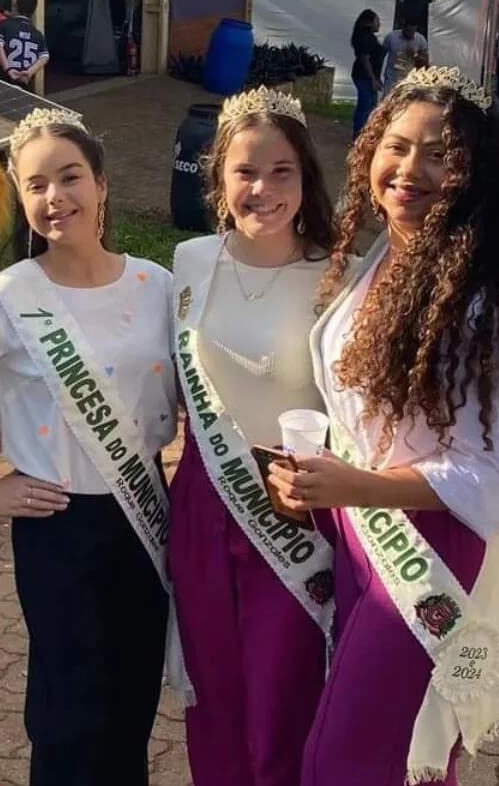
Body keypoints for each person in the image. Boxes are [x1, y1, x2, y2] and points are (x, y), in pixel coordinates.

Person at [0, 108, 178, 786]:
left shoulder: (157, 285)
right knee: (67, 713)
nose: (55, 198)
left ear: (101, 184)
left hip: (145, 516)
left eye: (70, 177)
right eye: (36, 185)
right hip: (58, 523)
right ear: (21, 198)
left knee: (132, 701)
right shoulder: (2, 299)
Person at [269, 66, 499, 785]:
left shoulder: (478, 303)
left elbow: (498, 473)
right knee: (392, 754)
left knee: (349, 760)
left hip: (428, 549)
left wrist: (357, 485)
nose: (409, 169)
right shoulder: (380, 261)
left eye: (439, 154)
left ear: (473, 173)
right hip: (362, 532)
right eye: (397, 146)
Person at [168, 85, 337, 786]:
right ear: (220, 176)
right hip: (202, 503)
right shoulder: (189, 262)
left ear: (305, 178)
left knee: (284, 698)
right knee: (214, 695)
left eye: (281, 171)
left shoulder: (337, 273)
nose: (262, 189)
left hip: (295, 511)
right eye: (245, 171)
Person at [0, 0, 49, 91]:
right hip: (25, 81)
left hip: (4, 79)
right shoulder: (37, 34)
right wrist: (30, 72)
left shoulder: (5, 25)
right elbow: (44, 56)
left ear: (15, 7)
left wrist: (8, 69)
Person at [351, 9, 385, 138]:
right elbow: (365, 60)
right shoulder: (364, 38)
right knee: (365, 104)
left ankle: (366, 132)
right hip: (363, 76)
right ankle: (359, 134)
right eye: (377, 21)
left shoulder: (370, 37)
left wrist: (376, 78)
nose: (379, 24)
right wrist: (372, 79)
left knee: (371, 105)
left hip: (370, 76)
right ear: (369, 22)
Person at [382, 17, 430, 92]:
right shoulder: (391, 37)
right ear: (404, 27)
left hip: (411, 78)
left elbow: (425, 61)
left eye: (412, 31)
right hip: (392, 78)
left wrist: (414, 55)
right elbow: (381, 56)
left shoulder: (420, 39)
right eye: (408, 31)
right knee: (389, 98)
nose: (410, 34)